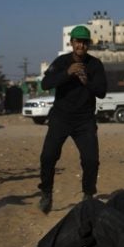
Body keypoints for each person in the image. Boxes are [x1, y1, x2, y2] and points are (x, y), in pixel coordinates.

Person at [37, 25, 106, 214]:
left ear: (88, 45)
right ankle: (46, 193)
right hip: (61, 117)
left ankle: (88, 195)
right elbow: (45, 83)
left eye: (84, 42)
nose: (81, 46)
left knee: (91, 160)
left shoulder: (95, 65)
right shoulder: (61, 62)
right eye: (77, 42)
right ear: (71, 43)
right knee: (48, 156)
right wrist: (67, 73)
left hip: (85, 121)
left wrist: (87, 82)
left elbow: (102, 92)